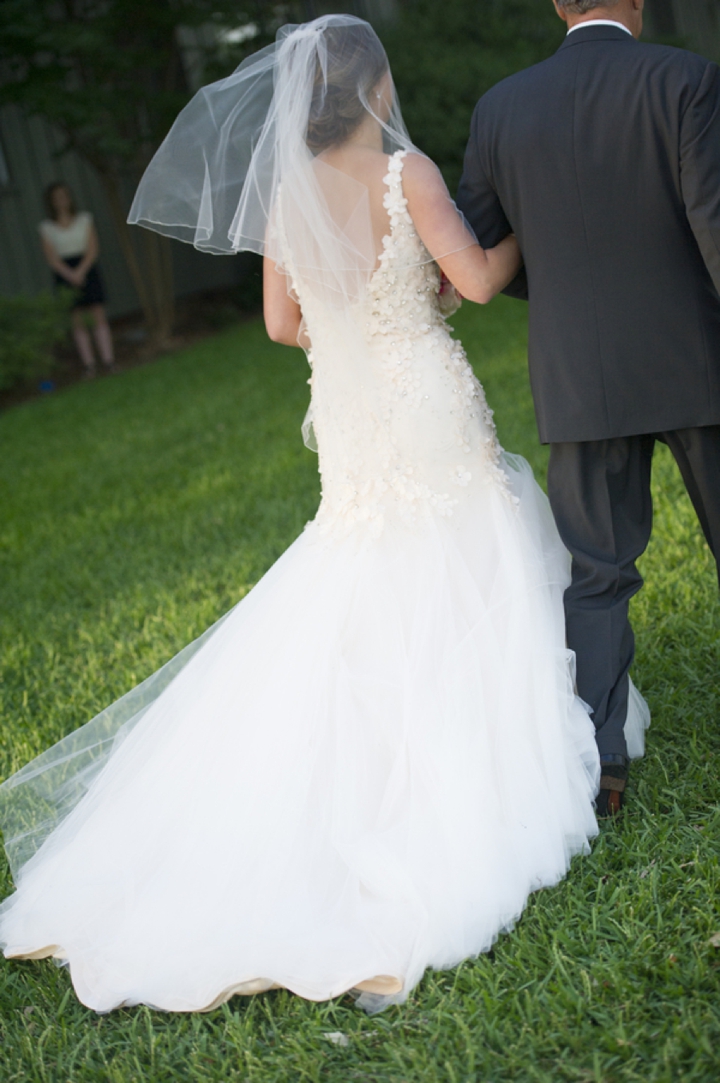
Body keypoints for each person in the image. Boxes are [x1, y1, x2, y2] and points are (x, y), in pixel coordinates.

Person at [0, 15, 640, 1016]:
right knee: (463, 545)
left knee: (363, 570)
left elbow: (280, 324)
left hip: (351, 416)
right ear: (372, 91)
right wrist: (523, 231)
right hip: (421, 399)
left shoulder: (288, 201)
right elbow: (475, 279)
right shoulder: (407, 176)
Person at [457, 0, 720, 817]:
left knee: (597, 577)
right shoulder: (684, 79)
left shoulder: (500, 107)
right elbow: (715, 222)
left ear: (555, 6)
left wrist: (569, 292)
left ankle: (602, 767)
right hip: (697, 360)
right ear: (634, 2)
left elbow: (484, 239)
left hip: (580, 375)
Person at [40, 183, 115, 376]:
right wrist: (70, 275)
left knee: (98, 312)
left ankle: (108, 361)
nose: (61, 200)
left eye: (64, 196)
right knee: (77, 318)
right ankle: (89, 365)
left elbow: (93, 249)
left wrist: (81, 272)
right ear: (51, 202)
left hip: (86, 268)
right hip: (64, 272)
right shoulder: (47, 227)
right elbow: (52, 259)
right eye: (57, 197)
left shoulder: (84, 219)